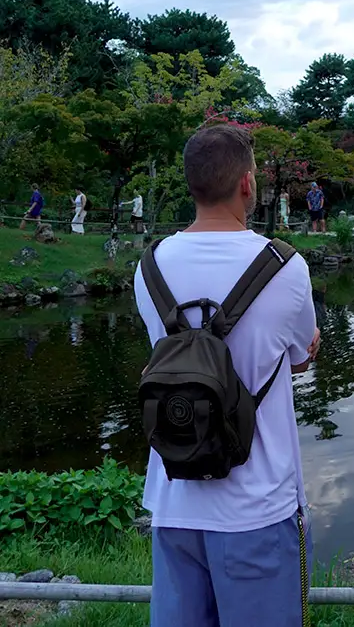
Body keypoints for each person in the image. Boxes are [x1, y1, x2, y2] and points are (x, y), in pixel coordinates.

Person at [134, 124, 320, 627]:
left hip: (173, 502)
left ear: (191, 182)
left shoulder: (149, 267)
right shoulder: (285, 266)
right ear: (246, 183)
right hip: (258, 507)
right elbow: (301, 356)